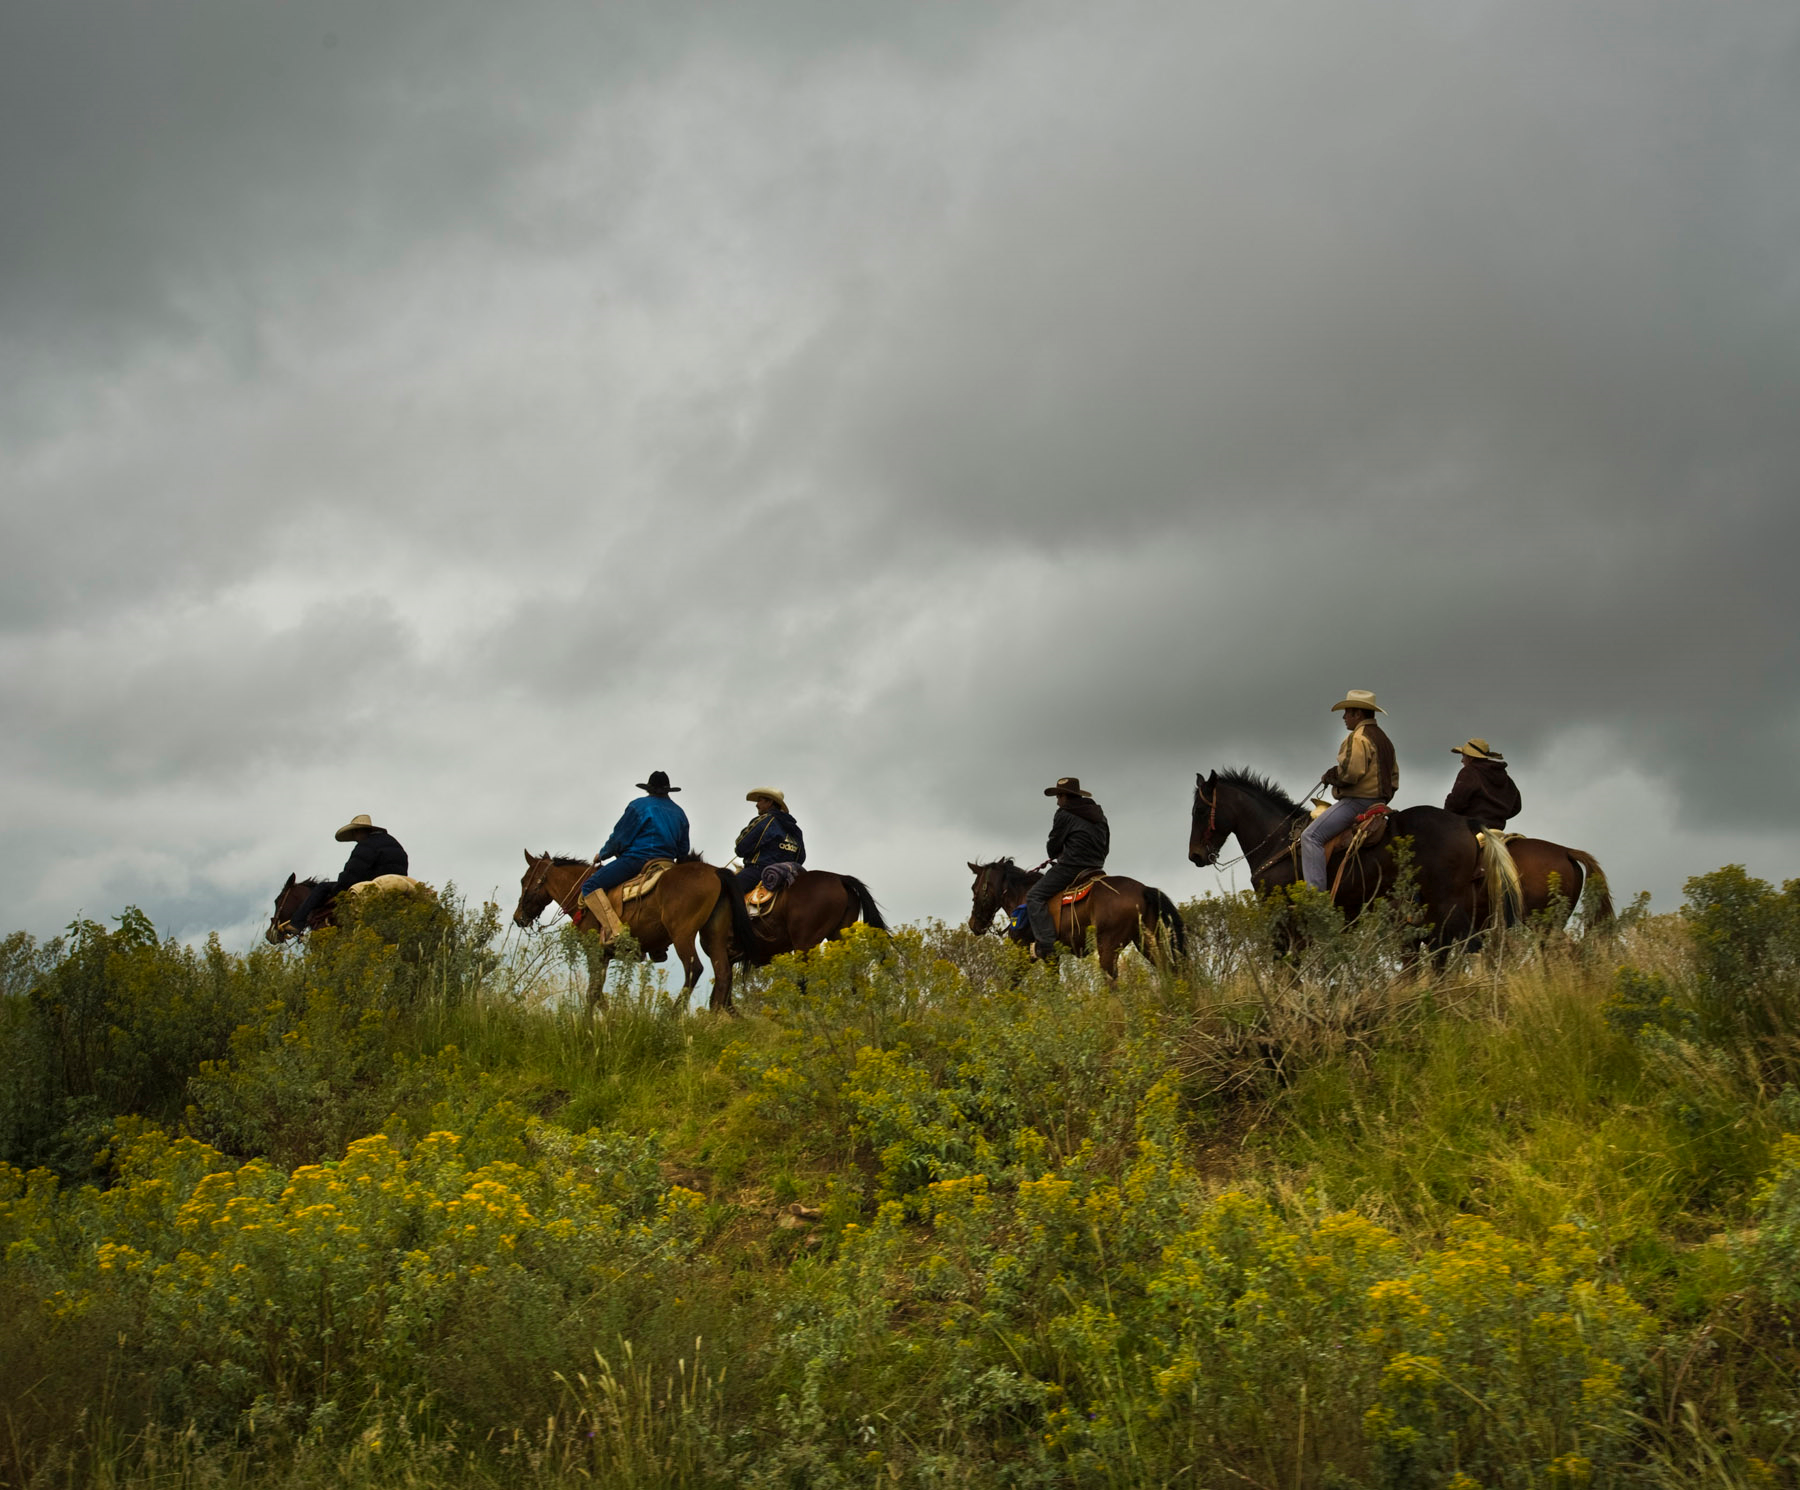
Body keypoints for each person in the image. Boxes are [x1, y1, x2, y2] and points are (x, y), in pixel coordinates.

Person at [1300, 689, 1399, 893]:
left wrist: (1333, 776)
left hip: (1357, 802)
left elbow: (1351, 774)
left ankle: (1314, 898)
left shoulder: (1358, 737)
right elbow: (1394, 778)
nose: (1344, 717)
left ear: (1358, 714)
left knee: (1310, 837)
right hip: (1380, 802)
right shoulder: (1385, 740)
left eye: (1347, 713)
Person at [579, 770, 691, 942]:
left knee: (590, 885)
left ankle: (615, 932)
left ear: (649, 789)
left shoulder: (639, 806)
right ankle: (659, 946)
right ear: (668, 791)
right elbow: (683, 850)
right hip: (667, 864)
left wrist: (602, 854)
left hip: (637, 859)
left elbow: (620, 837)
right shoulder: (680, 813)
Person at [1025, 776, 1110, 960]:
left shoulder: (1063, 813)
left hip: (1071, 868)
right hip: (1096, 867)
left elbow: (1052, 848)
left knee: (1034, 896)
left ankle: (1046, 945)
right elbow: (1106, 846)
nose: (1057, 801)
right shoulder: (1099, 814)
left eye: (1058, 796)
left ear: (1065, 796)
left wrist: (1062, 853)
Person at [290, 813, 409, 933]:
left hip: (372, 885)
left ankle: (296, 924)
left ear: (359, 831)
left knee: (322, 887)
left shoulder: (366, 845)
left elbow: (352, 873)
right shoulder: (393, 842)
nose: (355, 838)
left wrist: (338, 890)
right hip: (398, 883)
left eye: (354, 834)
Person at [734, 788, 805, 896]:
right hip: (788, 875)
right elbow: (800, 858)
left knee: (727, 890)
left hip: (759, 872)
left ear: (769, 802)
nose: (757, 804)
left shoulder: (766, 820)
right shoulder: (796, 830)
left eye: (760, 800)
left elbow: (741, 848)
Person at [1444, 738, 1521, 830]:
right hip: (1498, 831)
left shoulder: (1469, 772)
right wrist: (1498, 818)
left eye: (1463, 756)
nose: (1462, 760)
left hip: (1471, 829)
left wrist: (1446, 817)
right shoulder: (1506, 777)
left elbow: (1456, 802)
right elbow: (1517, 806)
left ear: (1471, 757)